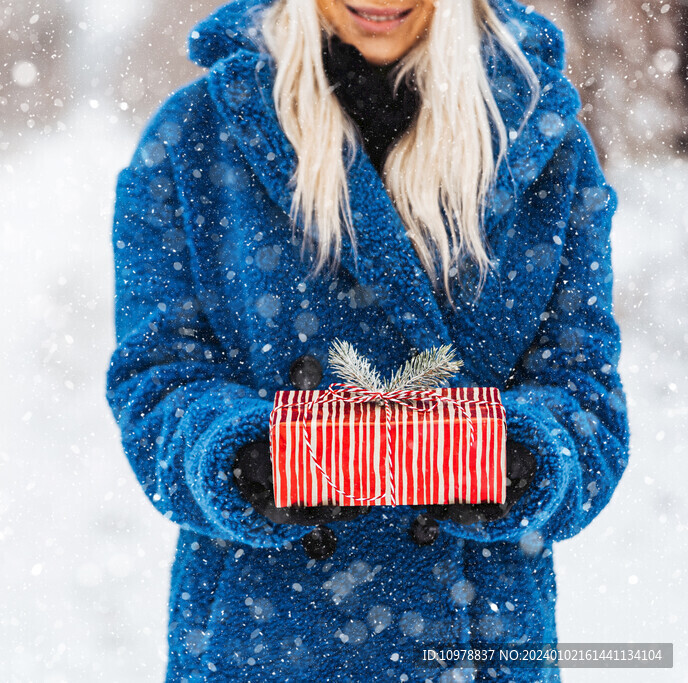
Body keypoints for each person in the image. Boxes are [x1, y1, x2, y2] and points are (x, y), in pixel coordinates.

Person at [104, 0, 629, 679]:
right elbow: (155, 382)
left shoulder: (541, 135)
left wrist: (516, 462)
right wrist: (245, 460)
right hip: (263, 638)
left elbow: (588, 397)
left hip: (480, 639)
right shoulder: (193, 137)